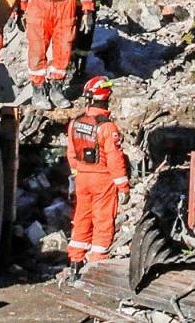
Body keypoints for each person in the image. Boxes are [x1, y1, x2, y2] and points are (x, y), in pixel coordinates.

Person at [65, 75, 130, 279]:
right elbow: (115, 159)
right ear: (106, 97)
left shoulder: (75, 123)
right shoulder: (107, 127)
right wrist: (123, 186)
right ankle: (96, 264)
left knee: (81, 217)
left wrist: (77, 172)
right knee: (103, 220)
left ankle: (75, 260)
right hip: (102, 179)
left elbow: (71, 153)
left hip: (82, 178)